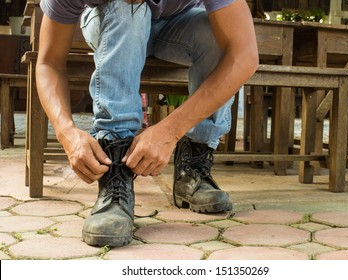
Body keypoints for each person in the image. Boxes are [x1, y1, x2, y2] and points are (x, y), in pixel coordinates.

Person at [36, 0, 258, 247]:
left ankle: (193, 166)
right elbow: (48, 62)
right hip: (107, 22)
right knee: (127, 9)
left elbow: (244, 54)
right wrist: (66, 131)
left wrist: (170, 131)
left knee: (217, 33)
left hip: (177, 25)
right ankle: (115, 173)